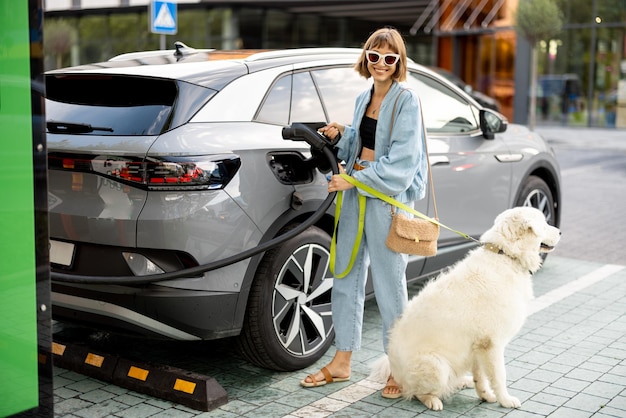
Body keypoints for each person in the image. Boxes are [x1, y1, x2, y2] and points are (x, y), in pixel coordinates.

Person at [299, 27, 428, 399]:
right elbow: (363, 143)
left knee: (390, 286)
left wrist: (355, 181)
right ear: (366, 58)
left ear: (399, 62)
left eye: (390, 58)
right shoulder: (363, 97)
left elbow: (403, 161)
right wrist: (343, 135)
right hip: (355, 193)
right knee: (346, 277)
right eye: (375, 56)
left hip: (385, 199)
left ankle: (399, 367)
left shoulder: (407, 100)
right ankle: (342, 362)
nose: (382, 64)